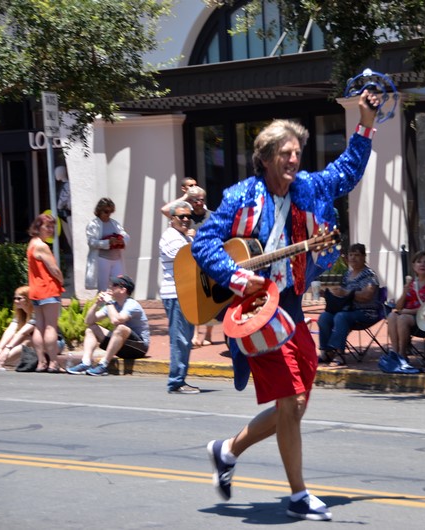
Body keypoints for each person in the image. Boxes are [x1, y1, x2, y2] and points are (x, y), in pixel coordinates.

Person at [193, 90, 379, 521]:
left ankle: (227, 450)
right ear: (266, 158)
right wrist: (237, 276)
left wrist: (366, 122)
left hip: (291, 305)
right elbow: (204, 244)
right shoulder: (242, 196)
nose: (294, 160)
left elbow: (347, 170)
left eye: (297, 153)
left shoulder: (309, 189)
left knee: (294, 404)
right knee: (291, 401)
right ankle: (299, 495)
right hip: (255, 311)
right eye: (286, 153)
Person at [162, 185, 216, 347]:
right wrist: (186, 197)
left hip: (206, 262)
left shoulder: (211, 216)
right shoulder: (184, 216)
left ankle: (208, 335)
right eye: (195, 200)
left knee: (209, 299)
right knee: (195, 302)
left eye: (201, 199)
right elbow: (165, 210)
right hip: (189, 271)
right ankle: (195, 335)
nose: (198, 203)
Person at [66, 275, 150, 376]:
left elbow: (116, 321)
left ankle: (103, 365)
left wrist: (109, 302)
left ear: (123, 290)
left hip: (138, 348)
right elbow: (88, 321)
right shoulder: (113, 304)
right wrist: (96, 304)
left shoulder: (132, 304)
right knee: (91, 328)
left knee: (120, 328)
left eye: (114, 285)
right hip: (121, 347)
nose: (110, 287)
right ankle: (86, 362)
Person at [157, 201, 201, 394]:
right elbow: (188, 258)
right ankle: (175, 382)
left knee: (186, 339)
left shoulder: (184, 237)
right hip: (175, 294)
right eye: (181, 216)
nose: (185, 220)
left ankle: (180, 379)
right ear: (172, 218)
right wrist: (195, 241)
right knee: (180, 339)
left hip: (186, 293)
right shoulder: (170, 237)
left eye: (188, 217)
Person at [317, 243, 382, 366]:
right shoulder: (347, 275)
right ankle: (325, 352)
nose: (353, 258)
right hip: (347, 310)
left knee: (340, 317)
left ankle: (338, 354)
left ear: (364, 257)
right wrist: (327, 294)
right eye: (351, 255)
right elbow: (341, 296)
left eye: (356, 255)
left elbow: (367, 296)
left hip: (366, 312)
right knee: (324, 317)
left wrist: (346, 293)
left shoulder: (369, 275)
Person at [385, 250, 425, 363]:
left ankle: (403, 354)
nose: (422, 265)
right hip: (410, 318)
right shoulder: (412, 283)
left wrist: (408, 312)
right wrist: (404, 291)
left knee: (402, 318)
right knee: (391, 316)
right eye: (419, 262)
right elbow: (399, 307)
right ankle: (395, 353)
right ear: (413, 266)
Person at [27, 213, 65, 372]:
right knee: (50, 327)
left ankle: (41, 362)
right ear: (38, 227)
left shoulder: (31, 244)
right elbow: (54, 270)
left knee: (39, 326)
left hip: (35, 290)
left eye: (52, 227)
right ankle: (53, 363)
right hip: (48, 289)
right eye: (47, 226)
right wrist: (61, 280)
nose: (50, 230)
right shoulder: (42, 246)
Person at [0, 286, 41, 371]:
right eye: (14, 298)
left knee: (27, 340)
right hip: (34, 343)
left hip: (53, 344)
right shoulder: (20, 314)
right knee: (16, 337)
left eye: (19, 298)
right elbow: (10, 330)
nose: (16, 301)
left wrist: (7, 349)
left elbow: (22, 333)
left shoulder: (36, 313)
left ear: (28, 299)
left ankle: (0, 362)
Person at [85, 198, 130, 293]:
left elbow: (125, 235)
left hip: (117, 259)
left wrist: (121, 240)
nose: (108, 214)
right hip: (102, 259)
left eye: (111, 212)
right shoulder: (93, 225)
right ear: (99, 211)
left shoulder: (114, 223)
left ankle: (117, 302)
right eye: (106, 211)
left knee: (119, 286)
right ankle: (102, 303)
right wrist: (108, 242)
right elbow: (91, 242)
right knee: (103, 289)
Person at [55, 166, 72, 252]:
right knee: (69, 238)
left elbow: (63, 199)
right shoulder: (62, 185)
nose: (56, 175)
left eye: (57, 172)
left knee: (71, 237)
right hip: (63, 214)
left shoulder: (67, 185)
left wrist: (58, 207)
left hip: (68, 214)